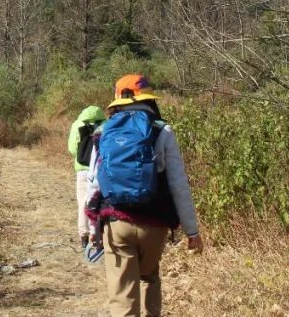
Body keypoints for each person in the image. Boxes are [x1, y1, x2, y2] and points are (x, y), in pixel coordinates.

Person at [85, 74, 204, 317]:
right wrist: (192, 231)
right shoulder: (162, 130)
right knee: (149, 278)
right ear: (148, 98)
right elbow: (178, 184)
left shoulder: (102, 131)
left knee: (122, 292)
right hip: (155, 224)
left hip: (116, 221)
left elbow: (93, 184)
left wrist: (91, 228)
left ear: (118, 99)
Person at [68, 105, 105, 249]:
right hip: (100, 168)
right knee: (101, 202)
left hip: (83, 170)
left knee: (83, 202)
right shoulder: (106, 125)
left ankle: (84, 237)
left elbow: (72, 149)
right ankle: (99, 235)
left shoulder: (77, 125)